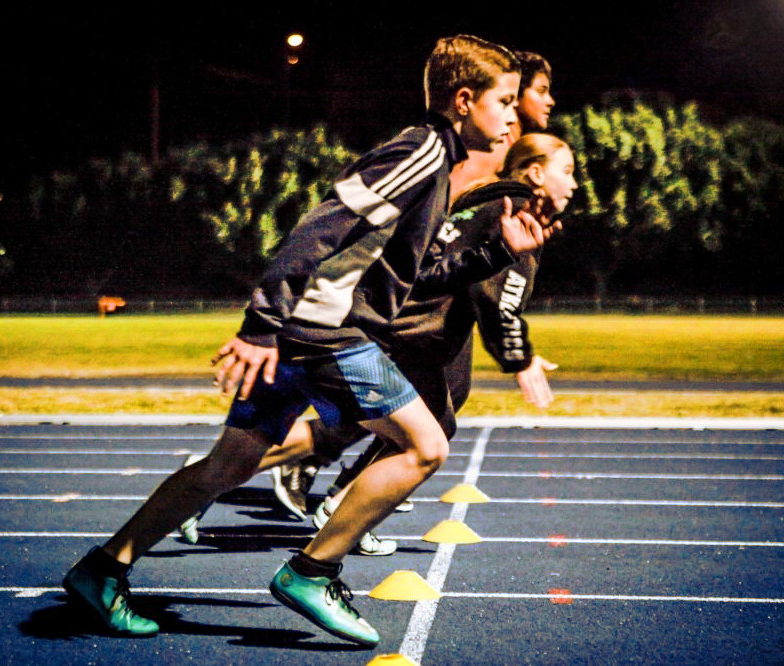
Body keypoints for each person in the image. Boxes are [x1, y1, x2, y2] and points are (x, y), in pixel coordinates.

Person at [62, 34, 556, 647]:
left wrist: (499, 251)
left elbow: (414, 276)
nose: (514, 115)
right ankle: (311, 572)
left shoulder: (437, 166)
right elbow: (318, 228)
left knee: (231, 462)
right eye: (504, 100)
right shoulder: (424, 152)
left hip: (313, 330)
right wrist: (259, 328)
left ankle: (102, 568)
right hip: (326, 333)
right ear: (462, 100)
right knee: (427, 446)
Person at [265, 50, 559, 527]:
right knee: (419, 412)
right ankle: (333, 497)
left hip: (454, 281)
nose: (547, 102)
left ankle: (336, 492)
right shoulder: (482, 147)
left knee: (432, 409)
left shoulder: (507, 143)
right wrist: (514, 349)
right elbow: (443, 214)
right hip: (431, 290)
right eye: (536, 92)